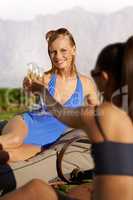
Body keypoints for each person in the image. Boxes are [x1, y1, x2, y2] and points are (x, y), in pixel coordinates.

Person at [28, 36, 133, 200]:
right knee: (79, 192)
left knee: (36, 189)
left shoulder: (103, 114)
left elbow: (61, 113)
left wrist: (41, 91)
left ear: (104, 77)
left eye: (94, 73)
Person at [0, 28, 98, 162]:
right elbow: (28, 92)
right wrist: (27, 85)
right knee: (13, 140)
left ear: (73, 49)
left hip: (45, 143)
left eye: (63, 50)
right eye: (53, 52)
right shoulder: (44, 78)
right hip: (26, 124)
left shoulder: (86, 84)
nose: (58, 56)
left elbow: (98, 115)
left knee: (7, 156)